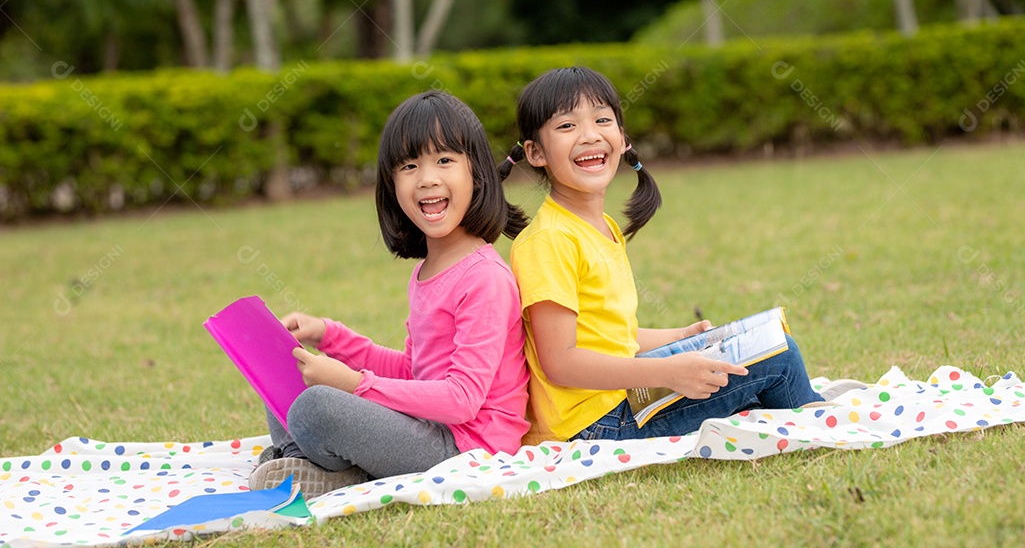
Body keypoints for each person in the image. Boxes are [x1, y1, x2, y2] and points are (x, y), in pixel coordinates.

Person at [500, 66, 860, 444]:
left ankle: (781, 411)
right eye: (567, 126)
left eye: (602, 119)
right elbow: (561, 362)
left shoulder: (598, 226)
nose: (590, 135)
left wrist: (682, 336)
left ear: (622, 139)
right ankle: (819, 426)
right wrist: (666, 372)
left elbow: (606, 336)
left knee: (756, 342)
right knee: (780, 357)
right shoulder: (548, 241)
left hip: (615, 402)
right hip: (595, 426)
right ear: (535, 152)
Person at [250, 91, 531, 496]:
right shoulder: (426, 271)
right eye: (409, 165)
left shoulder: (484, 277)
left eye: (445, 161)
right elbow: (411, 374)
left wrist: (354, 384)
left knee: (318, 407)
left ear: (478, 173)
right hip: (424, 428)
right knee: (285, 365)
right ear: (392, 186)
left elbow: (462, 400)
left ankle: (312, 465)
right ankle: (307, 463)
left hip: (465, 448)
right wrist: (329, 336)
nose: (427, 178)